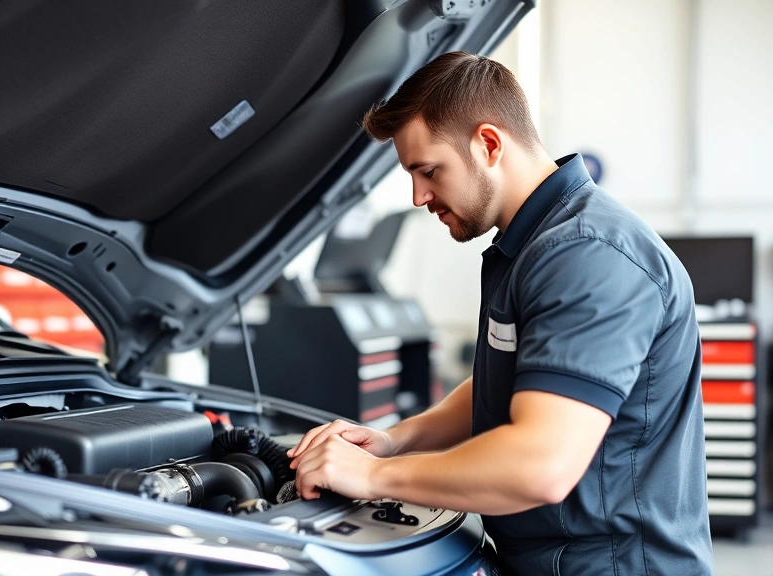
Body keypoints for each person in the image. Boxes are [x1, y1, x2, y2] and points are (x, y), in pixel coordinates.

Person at [288, 51, 713, 575]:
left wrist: (373, 478)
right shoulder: (534, 244)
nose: (419, 196)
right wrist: (393, 442)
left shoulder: (588, 255)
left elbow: (540, 466)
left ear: (489, 143)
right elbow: (508, 384)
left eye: (428, 170)